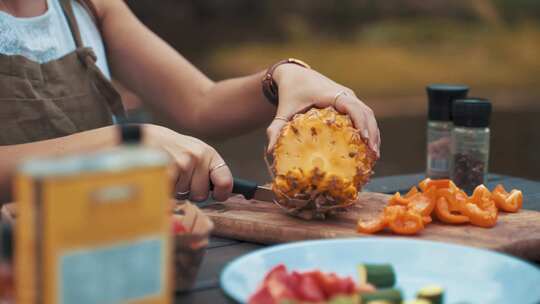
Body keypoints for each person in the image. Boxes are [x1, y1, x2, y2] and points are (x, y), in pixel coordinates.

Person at [0, 0, 380, 204]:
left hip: (102, 242)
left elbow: (201, 103)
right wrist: (122, 145)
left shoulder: (88, 6)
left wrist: (281, 77)